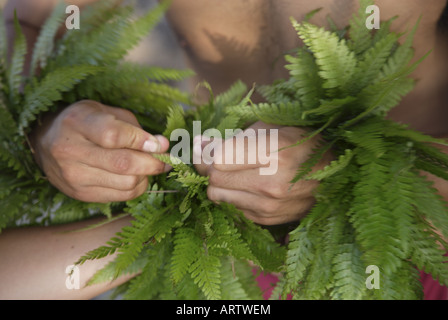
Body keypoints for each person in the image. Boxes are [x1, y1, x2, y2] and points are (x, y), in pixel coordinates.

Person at [0, 0, 447, 300]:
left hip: (406, 231)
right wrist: (47, 131)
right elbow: (32, 22)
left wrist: (338, 174)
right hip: (201, 256)